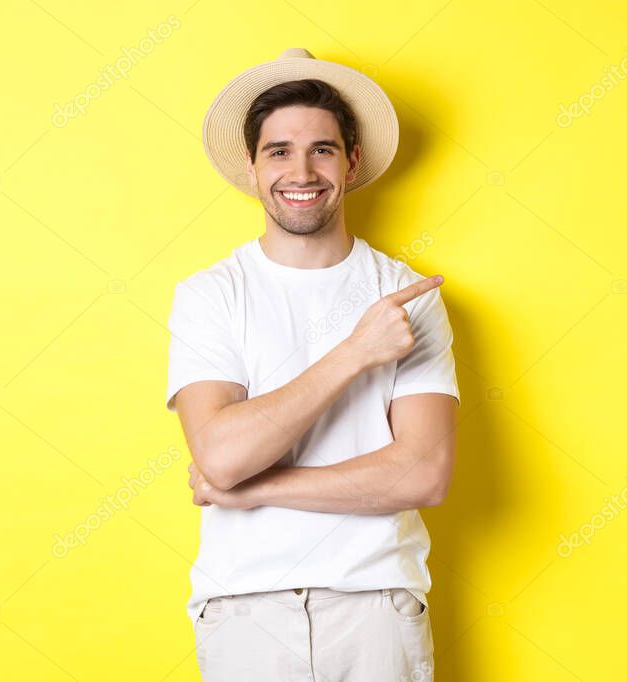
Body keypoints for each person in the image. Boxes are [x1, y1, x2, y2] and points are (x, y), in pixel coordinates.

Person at [166, 47, 460, 681]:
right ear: (252, 166)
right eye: (279, 151)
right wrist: (355, 352)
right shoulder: (210, 295)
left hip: (376, 605)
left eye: (322, 149)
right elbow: (220, 456)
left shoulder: (408, 296)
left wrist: (256, 490)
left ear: (351, 162)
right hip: (244, 611)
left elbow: (423, 474)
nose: (301, 170)